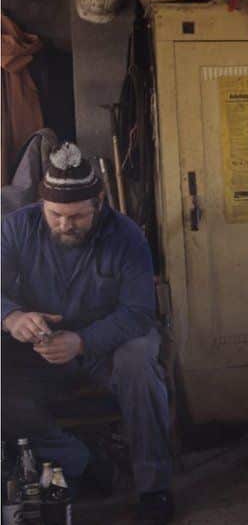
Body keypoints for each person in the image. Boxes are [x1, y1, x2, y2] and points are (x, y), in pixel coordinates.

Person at [1, 143, 173, 524]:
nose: (65, 225)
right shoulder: (15, 228)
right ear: (41, 205)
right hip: (36, 349)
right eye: (56, 215)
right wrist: (12, 317)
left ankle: (154, 488)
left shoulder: (126, 236)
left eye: (77, 216)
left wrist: (83, 341)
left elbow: (139, 311)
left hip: (104, 346)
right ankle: (81, 459)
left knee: (140, 362)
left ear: (98, 202)